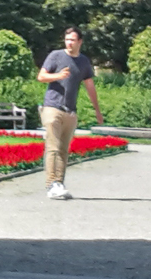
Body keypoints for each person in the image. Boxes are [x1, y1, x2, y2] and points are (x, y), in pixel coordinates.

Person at [36, 27, 103, 200]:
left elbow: (89, 86)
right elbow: (41, 77)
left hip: (70, 111)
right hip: (52, 107)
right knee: (53, 147)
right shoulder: (56, 56)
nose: (69, 43)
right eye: (67, 39)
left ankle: (59, 183)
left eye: (72, 40)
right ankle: (51, 184)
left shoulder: (83, 62)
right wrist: (58, 76)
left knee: (63, 150)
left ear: (80, 42)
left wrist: (97, 110)